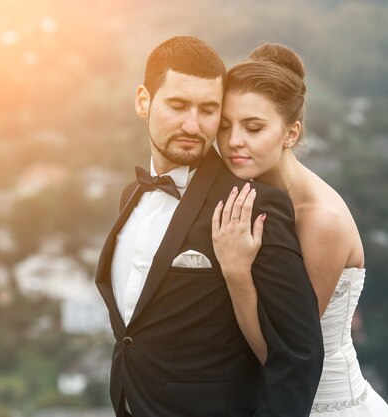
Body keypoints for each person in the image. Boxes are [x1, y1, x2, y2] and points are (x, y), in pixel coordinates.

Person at [95, 36, 324, 417]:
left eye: (208, 110)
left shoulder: (252, 205)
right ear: (143, 101)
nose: (192, 124)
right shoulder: (131, 196)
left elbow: (298, 355)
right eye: (178, 105)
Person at [212, 42, 388, 416]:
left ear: (291, 133)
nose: (234, 141)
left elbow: (284, 356)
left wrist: (236, 272)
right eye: (225, 126)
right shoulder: (251, 196)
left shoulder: (319, 219)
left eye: (253, 127)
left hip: (325, 405)